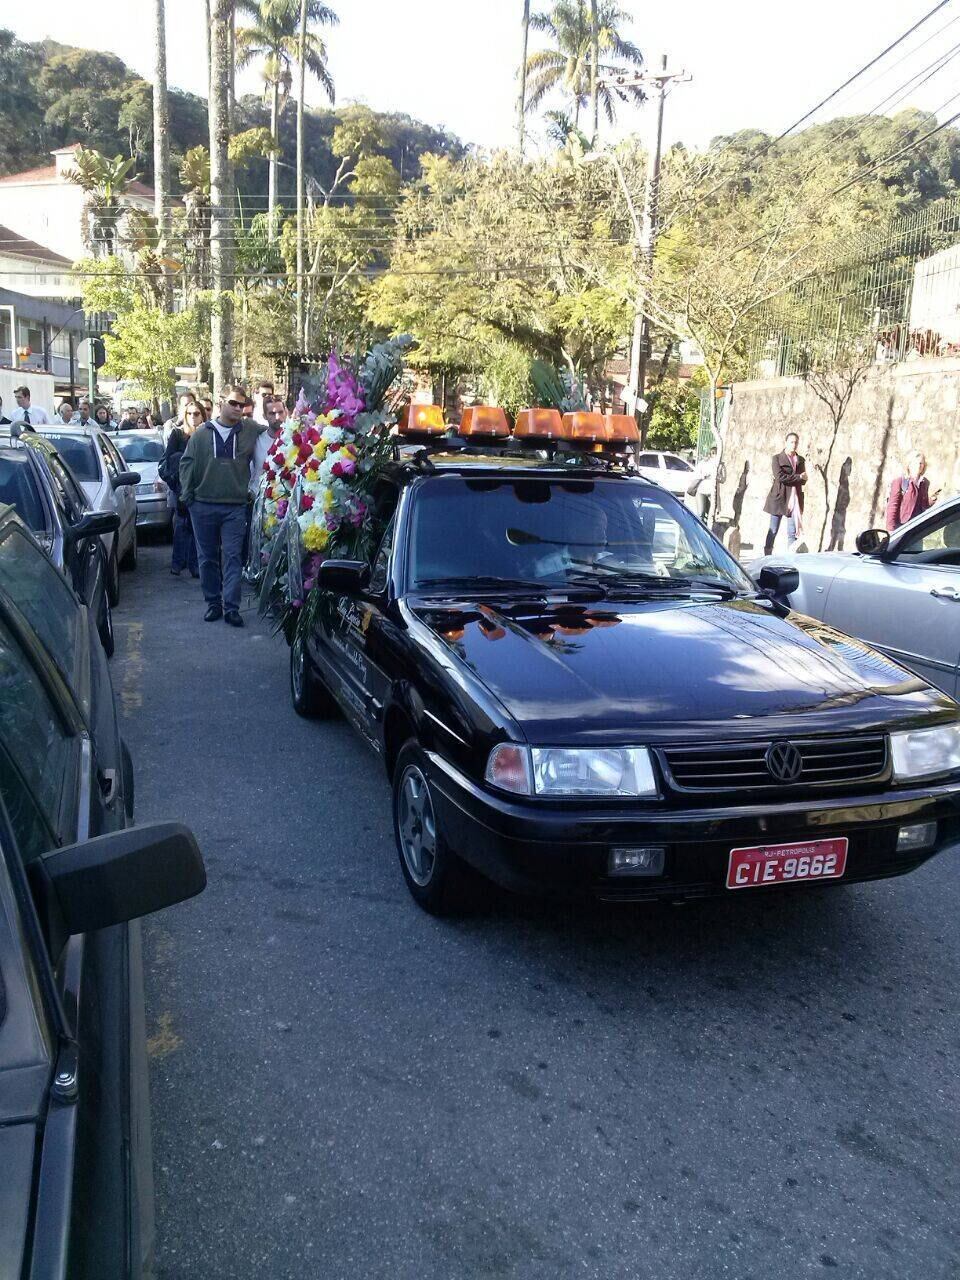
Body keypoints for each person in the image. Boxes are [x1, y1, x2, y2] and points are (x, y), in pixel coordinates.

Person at [179, 384, 263, 627]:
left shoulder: (250, 429)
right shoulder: (201, 434)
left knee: (233, 557)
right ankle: (213, 603)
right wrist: (188, 496)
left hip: (235, 506)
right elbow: (186, 464)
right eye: (233, 403)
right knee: (207, 558)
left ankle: (232, 607)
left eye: (241, 404)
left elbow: (275, 429)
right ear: (220, 403)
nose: (238, 408)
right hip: (203, 505)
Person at [161, 403, 205, 578]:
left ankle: (195, 566)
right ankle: (177, 564)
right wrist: (175, 483)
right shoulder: (177, 434)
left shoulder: (206, 434)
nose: (193, 417)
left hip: (201, 488)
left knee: (197, 529)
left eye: (197, 413)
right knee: (181, 526)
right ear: (184, 415)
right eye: (189, 413)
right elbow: (167, 460)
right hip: (181, 488)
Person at [763, 431, 807, 555]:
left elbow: (802, 480)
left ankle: (790, 558)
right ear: (786, 443)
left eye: (796, 442)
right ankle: (767, 555)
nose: (794, 444)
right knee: (773, 529)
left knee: (792, 532)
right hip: (780, 498)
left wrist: (803, 479)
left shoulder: (800, 460)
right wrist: (799, 477)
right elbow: (779, 477)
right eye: (792, 442)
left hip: (795, 500)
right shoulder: (776, 458)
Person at [885, 450, 931, 531]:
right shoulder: (900, 481)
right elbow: (892, 506)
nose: (919, 466)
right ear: (909, 464)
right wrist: (891, 531)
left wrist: (932, 501)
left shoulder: (925, 483)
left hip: (918, 529)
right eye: (916, 463)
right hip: (902, 527)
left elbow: (923, 506)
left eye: (921, 463)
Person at [687, 447, 718, 523]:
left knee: (711, 514)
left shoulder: (719, 465)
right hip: (701, 489)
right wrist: (704, 476)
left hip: (712, 491)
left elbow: (723, 479)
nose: (714, 456)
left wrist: (716, 477)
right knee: (701, 512)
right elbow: (696, 474)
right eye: (713, 454)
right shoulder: (703, 463)